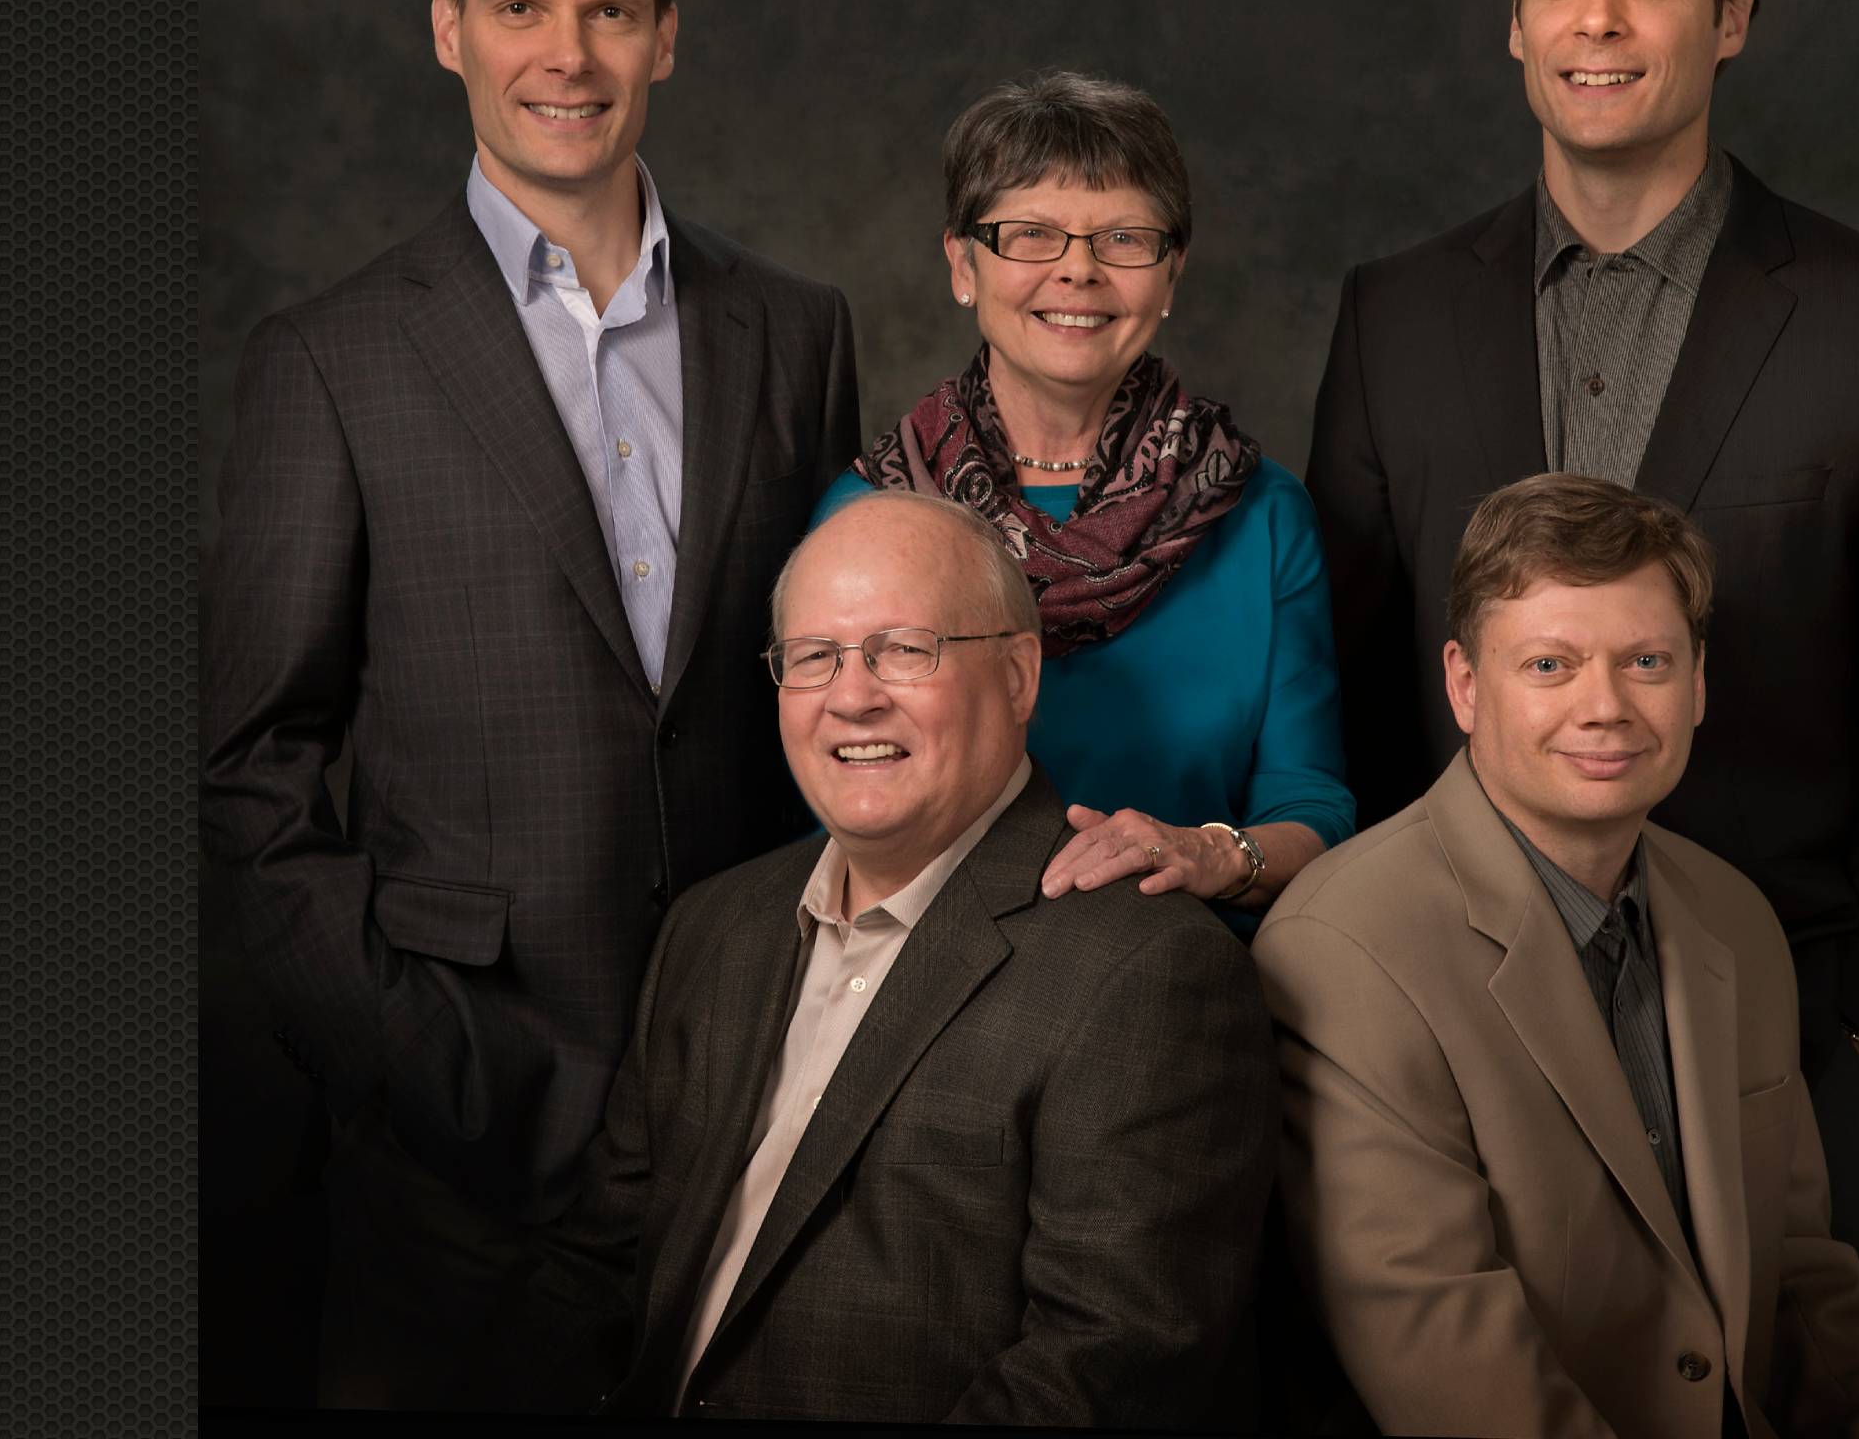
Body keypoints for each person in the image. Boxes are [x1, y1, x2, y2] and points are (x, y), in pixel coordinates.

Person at [1305, 0, 1859, 1408]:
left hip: (1758, 1047)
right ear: (1514, 21)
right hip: (1450, 1056)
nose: (1597, 19)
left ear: (1727, 18)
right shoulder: (1395, 314)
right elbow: (1348, 673)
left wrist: (1857, 1030)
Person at [198, 0, 861, 1409]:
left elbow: (831, 702)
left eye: (612, 13)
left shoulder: (794, 332)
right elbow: (254, 772)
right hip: (460, 1147)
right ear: (447, 29)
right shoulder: (333, 359)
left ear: (668, 36)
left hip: (758, 1118)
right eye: (519, 7)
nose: (566, 55)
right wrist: (444, 1074)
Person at [505, 490, 1279, 1422]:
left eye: (904, 650)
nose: (852, 694)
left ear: (1020, 677)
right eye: (813, 657)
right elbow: (601, 1264)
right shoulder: (713, 930)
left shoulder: (1147, 974)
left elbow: (1105, 1373)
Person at [1257, 473, 1859, 1439]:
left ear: (1699, 685)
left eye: (1647, 660)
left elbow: (1806, 1279)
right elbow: (1453, 1366)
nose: (1606, 707)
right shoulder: (1346, 951)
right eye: (1549, 666)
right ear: (1463, 684)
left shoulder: (1736, 918)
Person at [820, 70, 1353, 927]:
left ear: (1172, 274)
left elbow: (1313, 806)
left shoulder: (1261, 515)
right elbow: (820, 808)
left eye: (1124, 239)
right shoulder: (868, 519)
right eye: (1030, 234)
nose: (1078, 271)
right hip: (923, 982)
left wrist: (1210, 852)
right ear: (963, 265)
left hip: (1187, 973)